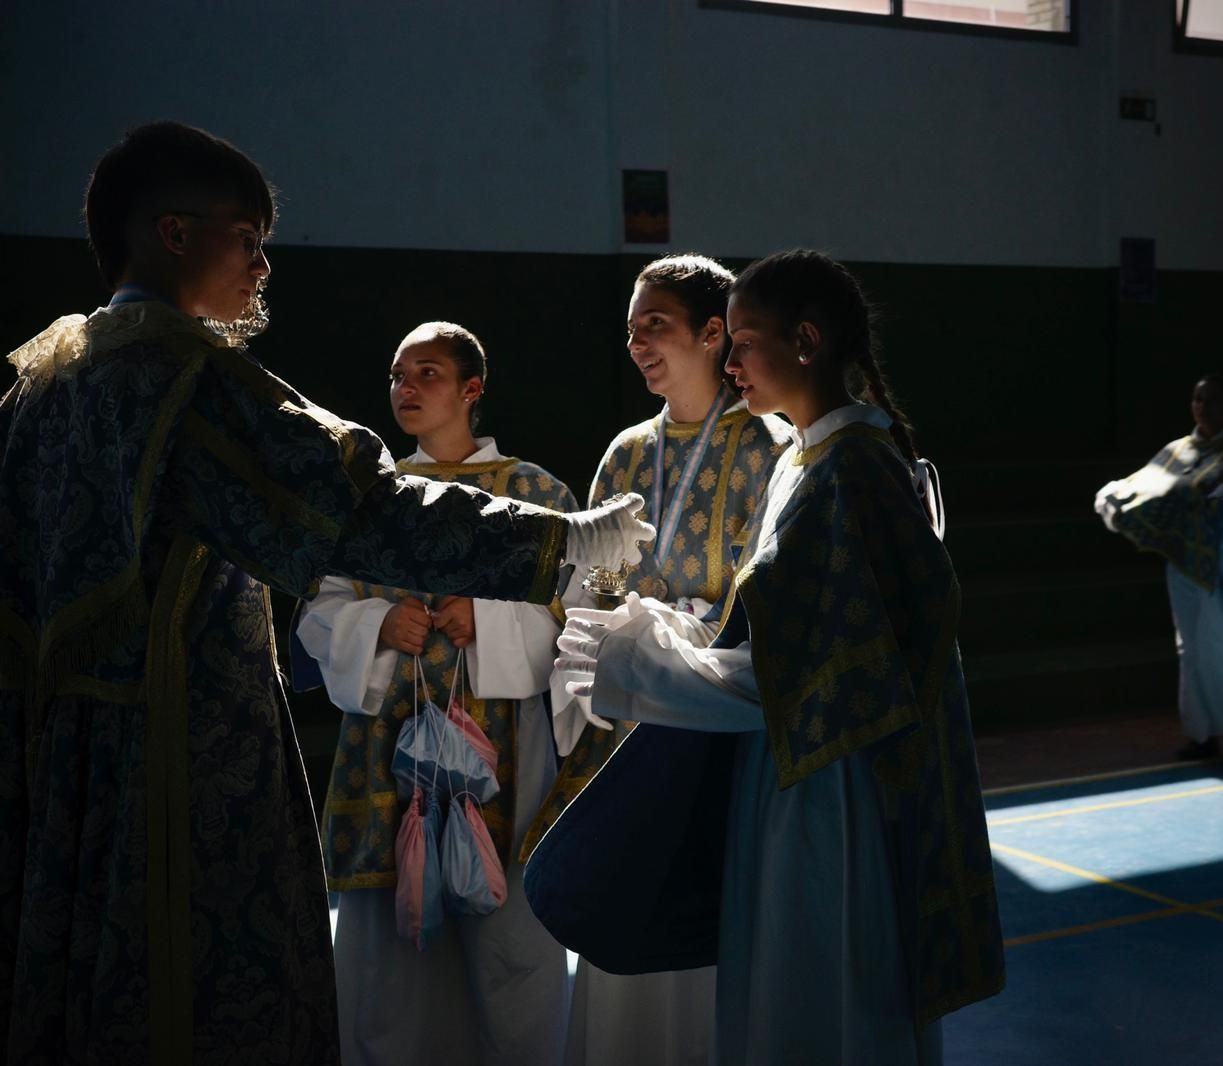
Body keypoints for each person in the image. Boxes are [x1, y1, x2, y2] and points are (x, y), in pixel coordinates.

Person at [0, 121, 649, 1066]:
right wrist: (566, 540)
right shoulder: (180, 379)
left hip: (48, 770)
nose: (264, 267)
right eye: (250, 238)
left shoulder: (34, 390)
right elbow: (354, 503)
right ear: (175, 233)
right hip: (173, 761)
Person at [531, 250, 1005, 1065]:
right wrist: (663, 642)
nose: (733, 360)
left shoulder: (852, 474)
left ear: (808, 341)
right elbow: (780, 646)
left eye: (745, 341)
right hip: (789, 780)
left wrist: (640, 658)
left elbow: (804, 688)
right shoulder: (809, 461)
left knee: (822, 1010)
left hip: (834, 797)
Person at [514, 254, 792, 1066]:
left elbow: (767, 606)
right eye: (630, 328)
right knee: (623, 935)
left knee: (706, 929)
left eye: (655, 325)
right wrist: (596, 633)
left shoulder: (770, 446)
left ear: (715, 334)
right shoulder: (625, 453)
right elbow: (590, 587)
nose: (636, 342)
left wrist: (682, 631)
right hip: (629, 725)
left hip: (715, 733)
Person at [293, 321, 574, 1066]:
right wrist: (377, 624)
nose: (405, 390)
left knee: (508, 951)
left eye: (427, 375)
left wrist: (488, 619)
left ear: (472, 390)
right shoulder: (365, 500)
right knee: (389, 960)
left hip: (504, 752)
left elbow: (574, 621)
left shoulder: (537, 494)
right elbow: (316, 612)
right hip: (388, 754)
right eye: (396, 376)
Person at [1095, 375, 1223, 759]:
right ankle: (1203, 735)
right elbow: (1140, 486)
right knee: (1192, 648)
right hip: (1185, 563)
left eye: (1210, 400)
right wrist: (1115, 499)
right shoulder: (1176, 453)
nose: (1202, 407)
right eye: (1197, 399)